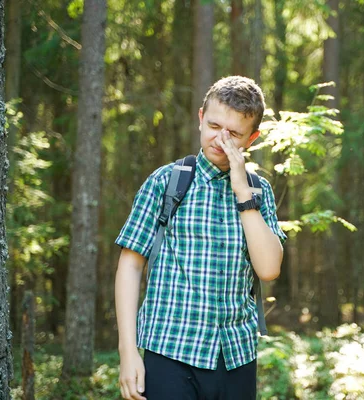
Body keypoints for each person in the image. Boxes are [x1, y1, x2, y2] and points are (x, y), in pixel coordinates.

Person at [115, 76, 286, 400]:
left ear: (252, 137)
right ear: (200, 118)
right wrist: (128, 352)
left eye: (233, 133)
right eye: (213, 125)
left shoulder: (259, 191)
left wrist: (242, 194)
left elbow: (268, 269)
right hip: (170, 352)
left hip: (236, 357)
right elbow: (130, 266)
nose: (220, 139)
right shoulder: (167, 181)